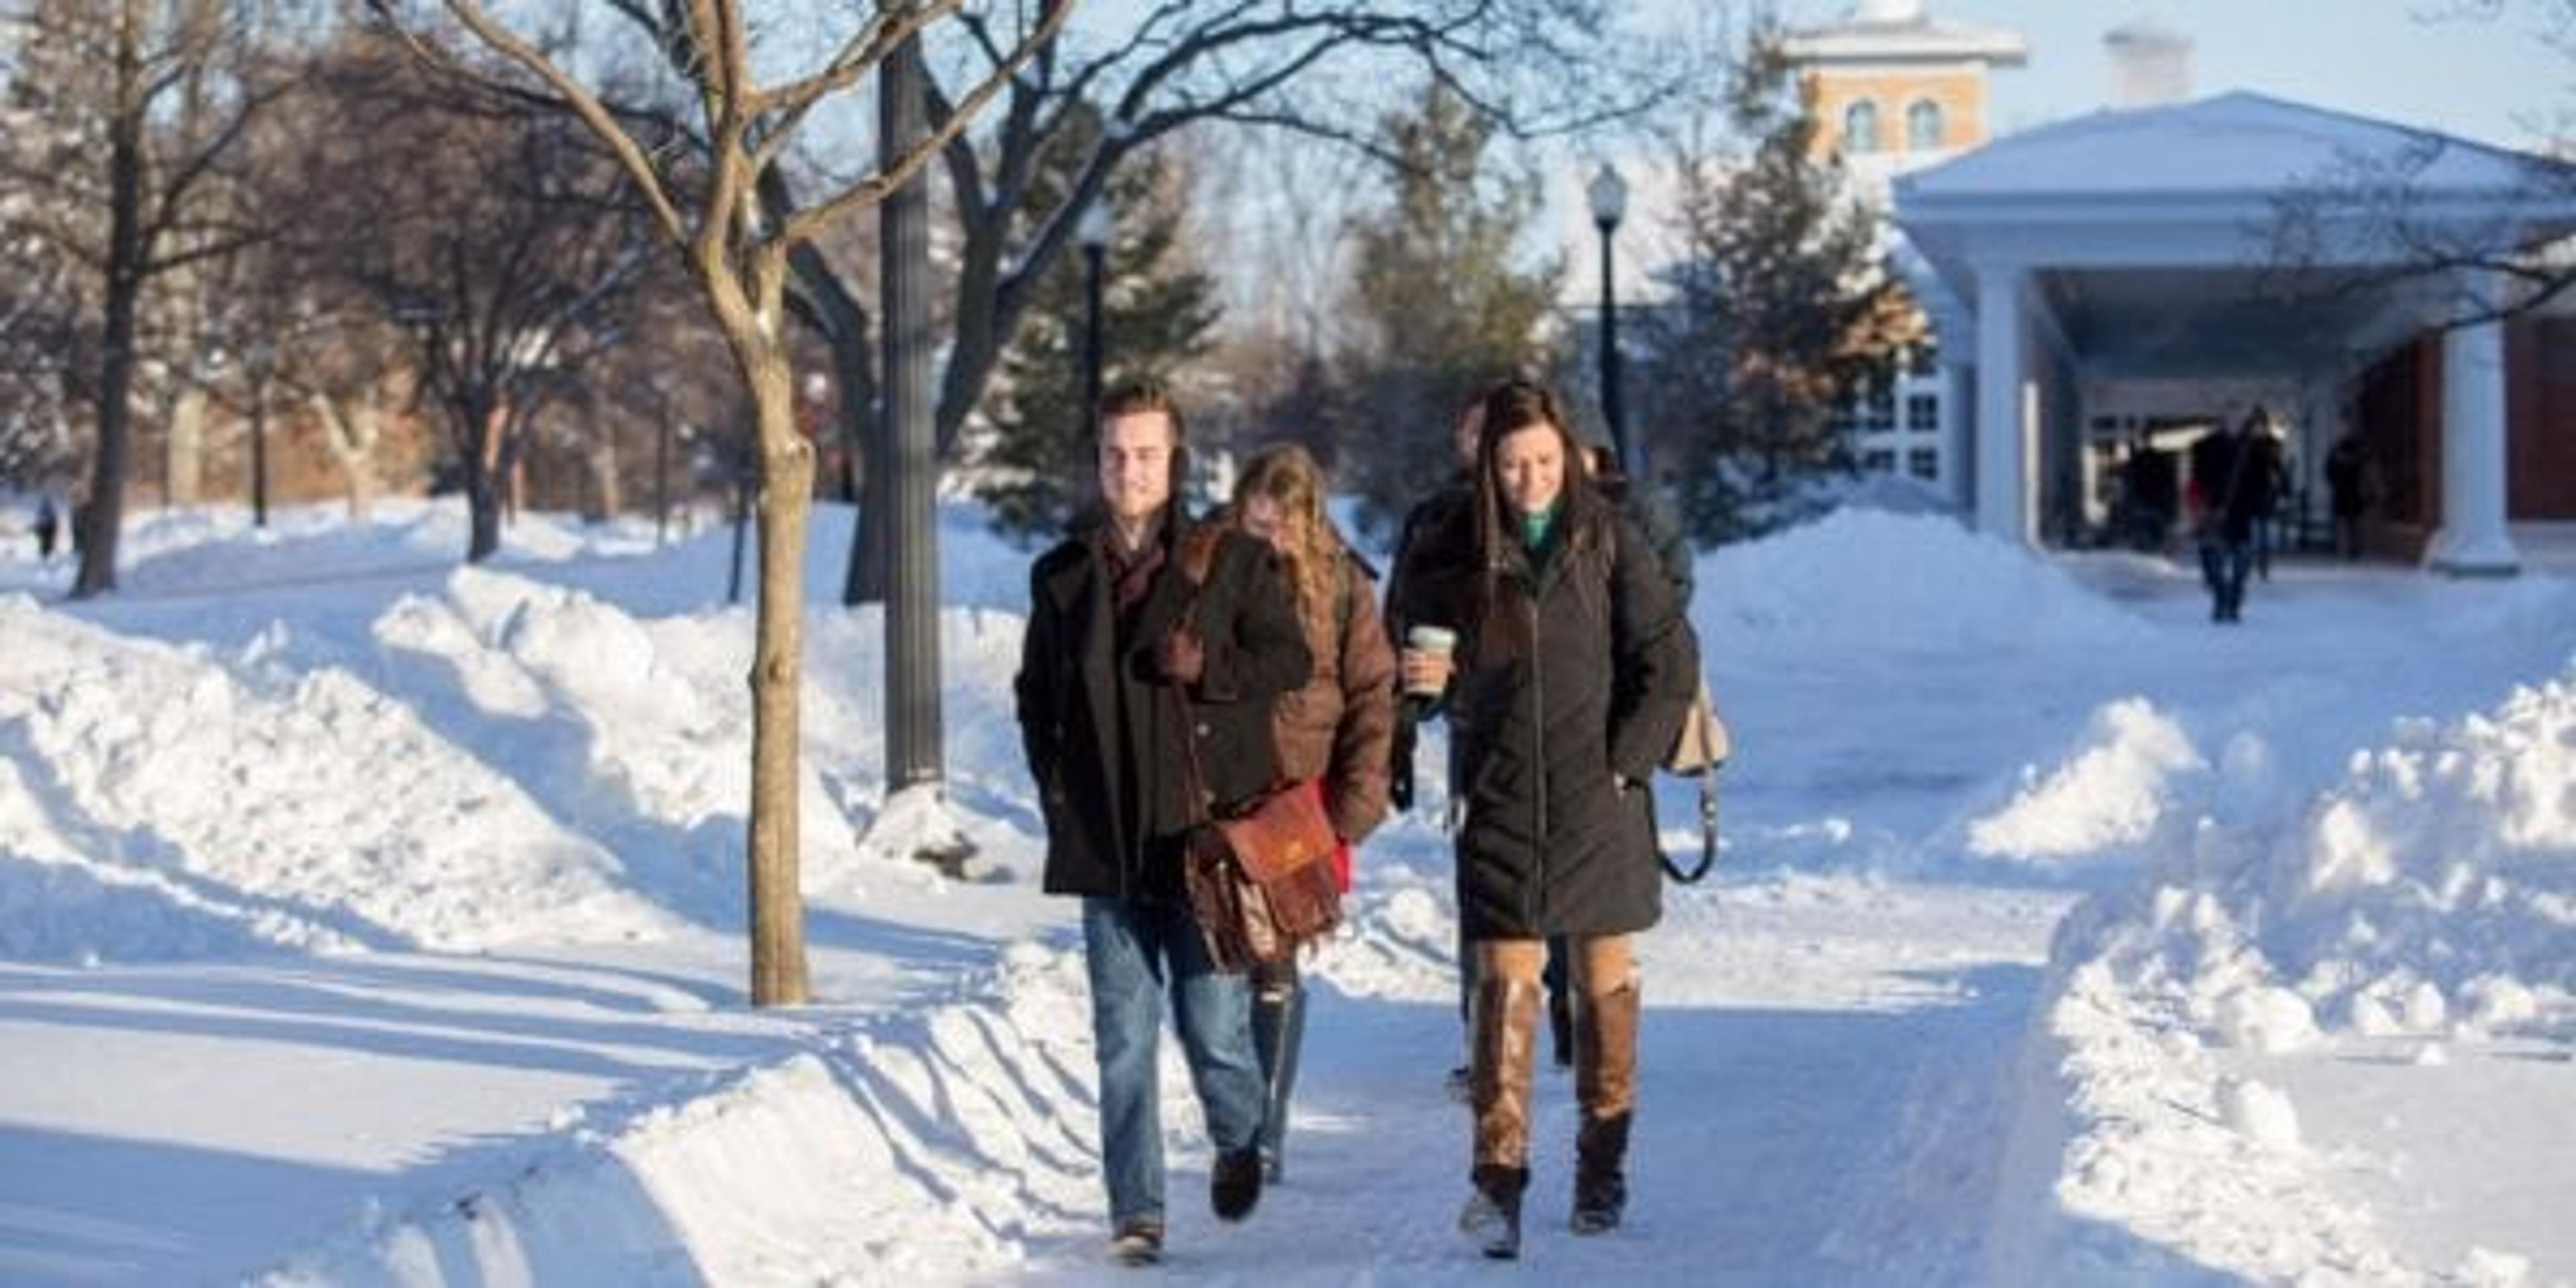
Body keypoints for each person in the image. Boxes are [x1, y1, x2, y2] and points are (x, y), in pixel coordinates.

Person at [1013, 380, 1313, 1266]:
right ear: (1098, 459)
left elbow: (1288, 659)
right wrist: (1055, 785)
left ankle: (1237, 1133)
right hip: (1105, 846)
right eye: (1114, 453)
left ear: (1174, 459)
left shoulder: (1234, 562)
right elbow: (1035, 696)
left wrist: (1208, 663)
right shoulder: (1064, 574)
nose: (1129, 470)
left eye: (1145, 453)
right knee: (1122, 1043)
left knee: (1214, 1028)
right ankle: (1136, 1213)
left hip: (1202, 842)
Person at [1398, 378, 1695, 1258]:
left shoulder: (1608, 539)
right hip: (1500, 792)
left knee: (1602, 985)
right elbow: (1413, 658)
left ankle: (1601, 1168)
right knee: (1502, 988)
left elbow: (1668, 658)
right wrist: (1419, 693)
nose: (1528, 479)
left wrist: (1624, 761)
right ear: (1487, 467)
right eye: (1511, 464)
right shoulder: (1452, 548)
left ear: (1568, 456)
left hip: (1596, 796)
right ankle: (1498, 1184)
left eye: (1541, 461)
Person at [1383, 393, 1580, 1090]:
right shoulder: (1439, 524)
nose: (1480, 446)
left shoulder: (1580, 521)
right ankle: (1487, 1037)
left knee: (1561, 877)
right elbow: (1403, 617)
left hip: (1562, 734)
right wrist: (1405, 713)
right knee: (1487, 888)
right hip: (1478, 730)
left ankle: (1568, 1007)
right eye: (1471, 433)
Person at [1218, 443, 1399, 1185]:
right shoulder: (1208, 568)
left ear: (1307, 522)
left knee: (1274, 963)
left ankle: (1264, 1126)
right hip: (1222, 794)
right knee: (1218, 964)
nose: (1267, 541)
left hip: (1302, 803)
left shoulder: (1343, 586)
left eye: (1280, 528)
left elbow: (1372, 698)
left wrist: (1353, 809)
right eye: (1255, 525)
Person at [2188, 409, 2279, 623]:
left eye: (2238, 420)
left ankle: (2235, 595)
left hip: (2244, 509)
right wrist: (2200, 504)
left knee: (2242, 557)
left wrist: (2263, 504)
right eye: (2230, 419)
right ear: (2222, 422)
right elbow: (2198, 478)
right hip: (2215, 506)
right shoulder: (2205, 447)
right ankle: (2221, 598)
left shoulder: (2256, 449)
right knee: (2214, 557)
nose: (2234, 424)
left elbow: (2265, 479)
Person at [2324, 431, 2372, 560]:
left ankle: (2346, 548)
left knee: (2345, 522)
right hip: (2352, 492)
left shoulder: (2336, 455)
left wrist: (2335, 483)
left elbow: (2329, 472)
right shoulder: (2358, 456)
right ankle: (2353, 548)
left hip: (2344, 492)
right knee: (2353, 522)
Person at [32, 496, 60, 561]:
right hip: (47, 528)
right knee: (46, 542)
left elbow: (39, 520)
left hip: (47, 528)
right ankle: (46, 555)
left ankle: (46, 555)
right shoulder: (49, 510)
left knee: (46, 542)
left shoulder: (44, 510)